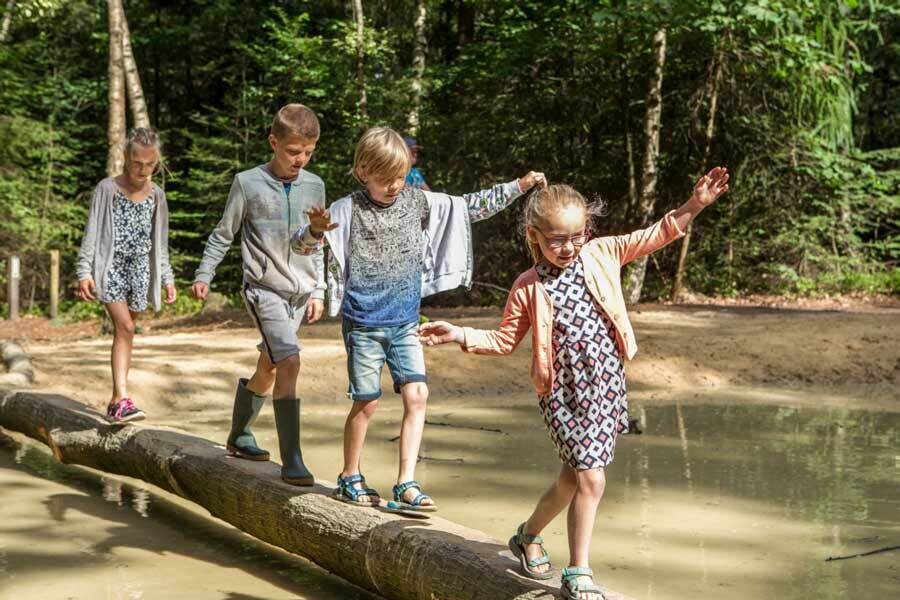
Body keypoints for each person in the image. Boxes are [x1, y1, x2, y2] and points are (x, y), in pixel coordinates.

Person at [418, 168, 730, 598]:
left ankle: (527, 536)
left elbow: (658, 233)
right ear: (535, 236)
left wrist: (695, 204)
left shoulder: (602, 253)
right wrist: (460, 334)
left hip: (606, 386)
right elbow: (505, 339)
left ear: (588, 230)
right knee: (591, 480)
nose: (568, 247)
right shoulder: (528, 286)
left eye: (576, 236)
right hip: (563, 396)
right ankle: (578, 570)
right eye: (557, 239)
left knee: (571, 479)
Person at [293, 126, 545, 511]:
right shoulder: (346, 209)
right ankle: (349, 476)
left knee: (417, 394)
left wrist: (518, 186)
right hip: (363, 323)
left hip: (405, 321)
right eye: (384, 180)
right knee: (367, 402)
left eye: (399, 176)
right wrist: (314, 230)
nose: (394, 186)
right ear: (362, 173)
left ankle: (406, 483)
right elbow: (302, 245)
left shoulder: (418, 202)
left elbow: (470, 206)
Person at [191, 104, 326, 486]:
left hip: (299, 293)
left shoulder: (314, 185)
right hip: (262, 289)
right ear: (274, 142)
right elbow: (223, 234)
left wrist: (318, 288)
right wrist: (205, 273)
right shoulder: (247, 183)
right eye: (293, 151)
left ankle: (238, 435)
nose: (301, 159)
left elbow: (315, 244)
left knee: (270, 365)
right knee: (291, 361)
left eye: (308, 153)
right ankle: (293, 461)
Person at [76, 127, 176, 423]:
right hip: (111, 268)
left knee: (127, 331)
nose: (143, 170)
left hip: (141, 270)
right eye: (137, 163)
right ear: (126, 157)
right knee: (126, 328)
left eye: (150, 164)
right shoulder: (107, 189)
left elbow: (161, 242)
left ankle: (116, 401)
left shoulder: (157, 195)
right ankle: (122, 396)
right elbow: (92, 232)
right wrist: (84, 270)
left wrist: (167, 277)